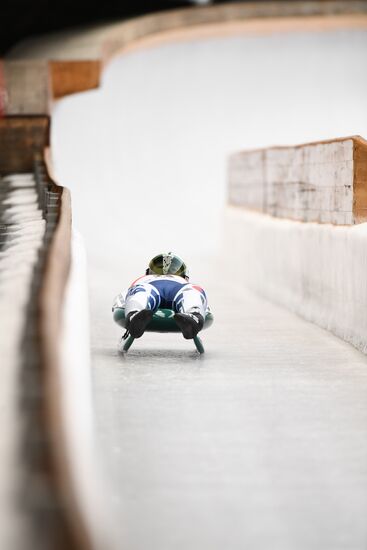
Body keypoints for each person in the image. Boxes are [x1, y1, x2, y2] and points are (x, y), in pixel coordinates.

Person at [112, 252, 210, 340]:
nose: (165, 273)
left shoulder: (143, 280)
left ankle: (134, 314)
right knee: (191, 293)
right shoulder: (145, 280)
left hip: (157, 286)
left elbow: (121, 299)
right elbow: (205, 305)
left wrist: (122, 305)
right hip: (166, 286)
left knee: (142, 292)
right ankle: (194, 315)